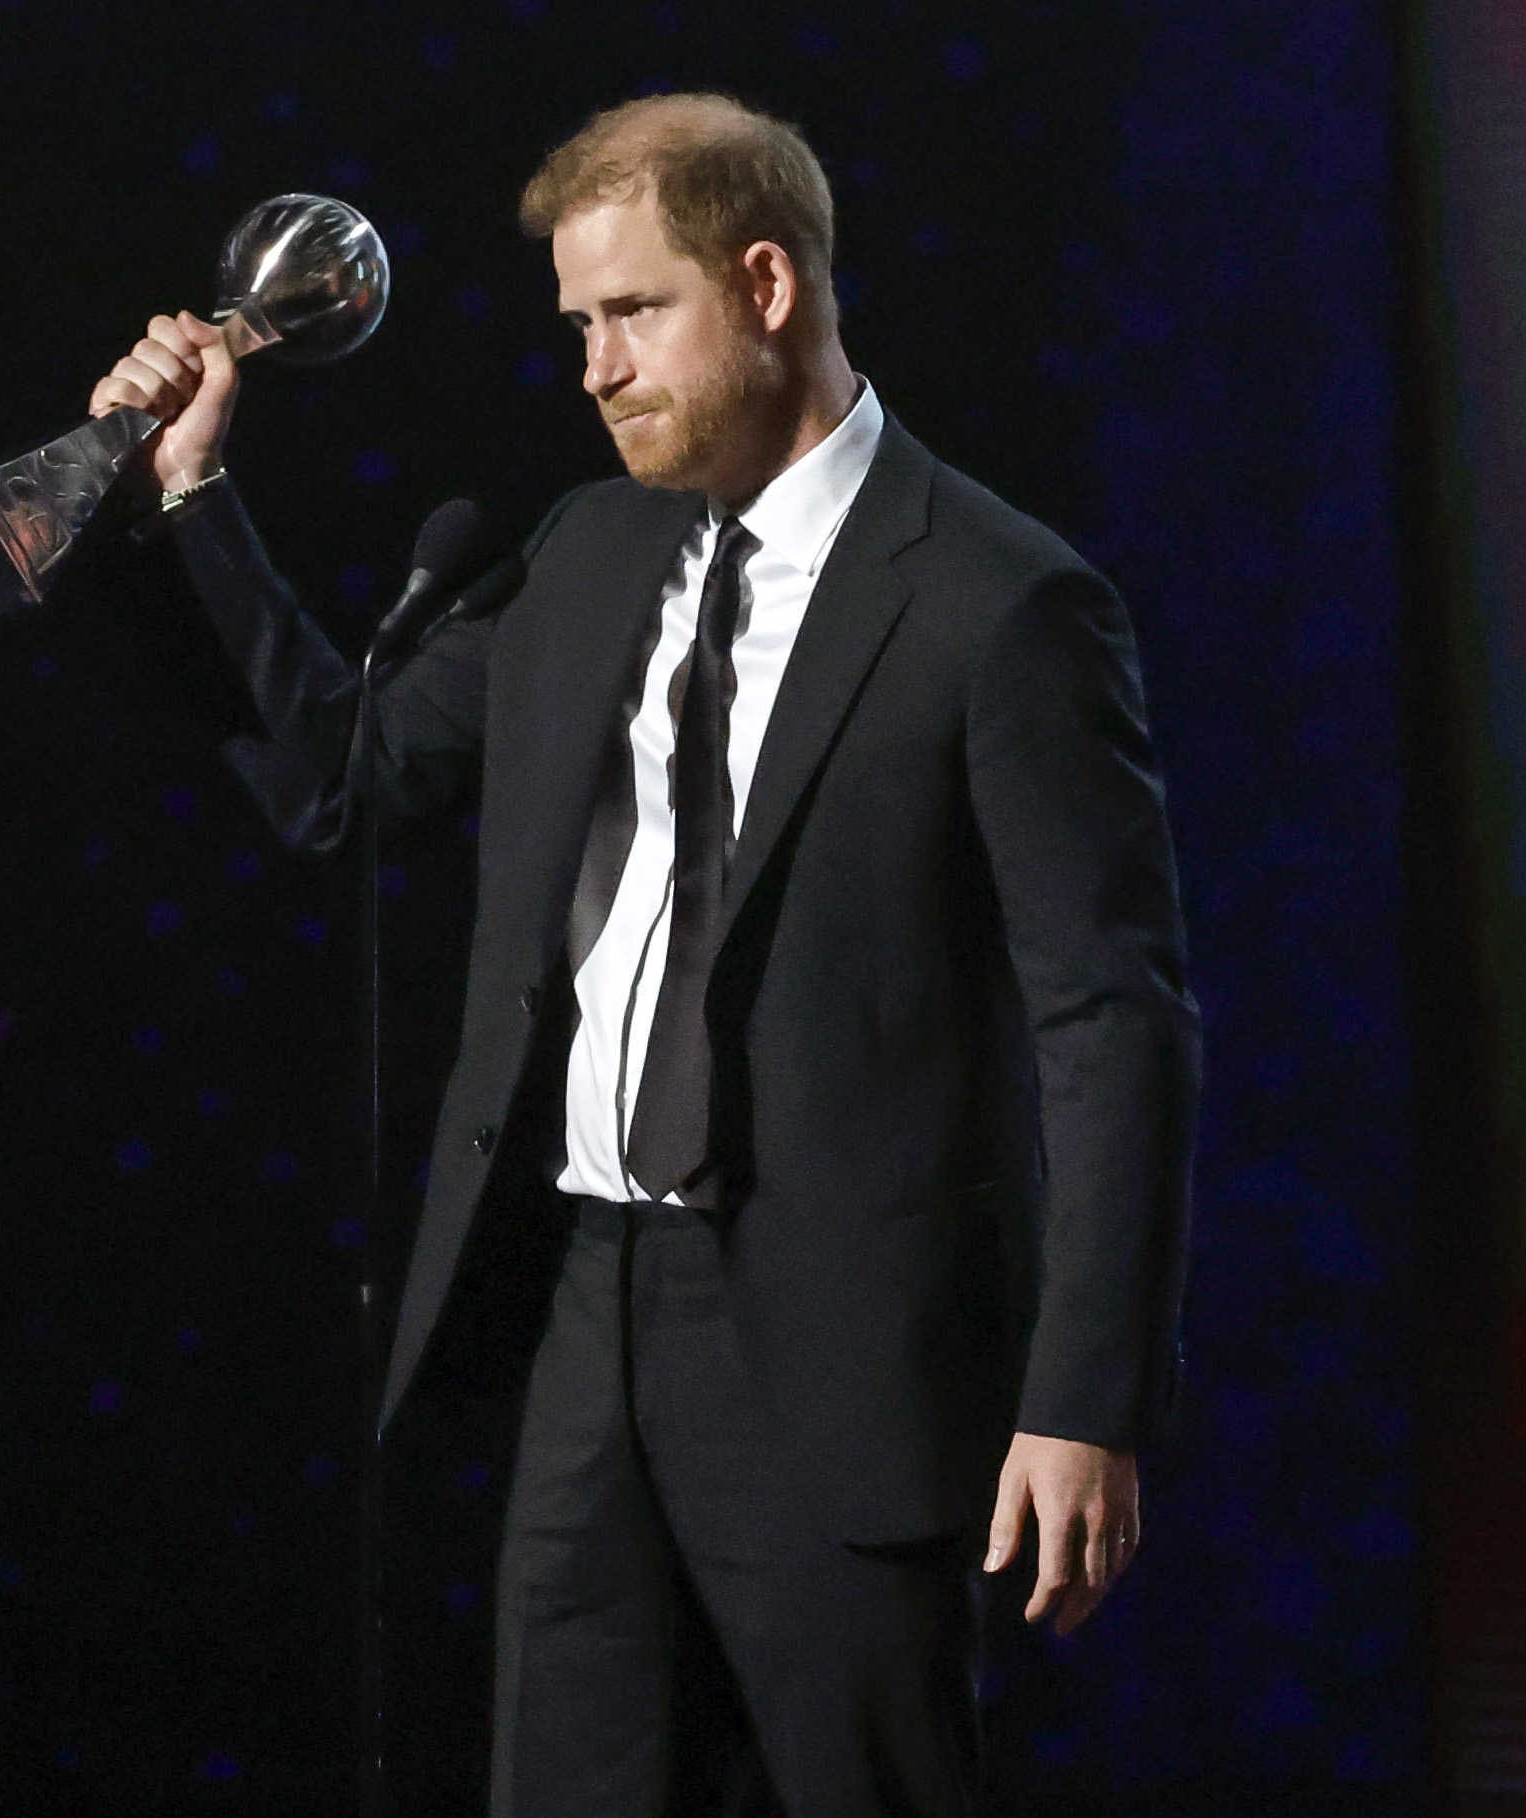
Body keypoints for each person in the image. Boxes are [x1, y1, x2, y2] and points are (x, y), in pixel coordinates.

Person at [89, 93, 1198, 1818]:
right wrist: (193, 493)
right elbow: (345, 770)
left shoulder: (998, 601)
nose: (592, 366)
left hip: (840, 1350)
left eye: (629, 313)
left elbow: (1110, 1018)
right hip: (585, 1314)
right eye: (575, 325)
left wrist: (1082, 1397)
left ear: (763, 283)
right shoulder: (591, 549)